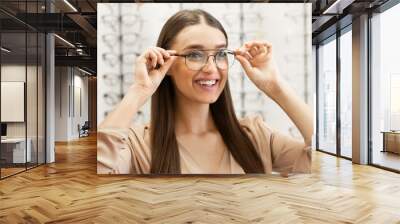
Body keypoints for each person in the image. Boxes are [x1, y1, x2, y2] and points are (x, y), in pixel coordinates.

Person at [97, 9, 313, 175]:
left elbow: (321, 161)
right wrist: (140, 90)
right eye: (195, 55)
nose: (212, 68)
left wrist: (275, 85)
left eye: (220, 54)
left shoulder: (256, 135)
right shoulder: (138, 144)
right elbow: (99, 174)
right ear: (167, 64)